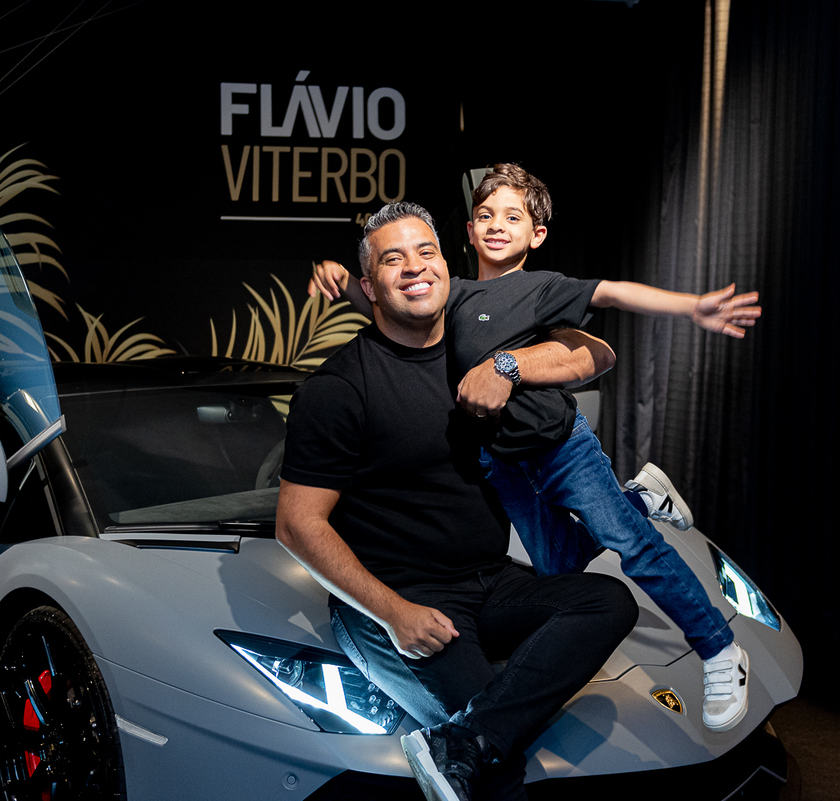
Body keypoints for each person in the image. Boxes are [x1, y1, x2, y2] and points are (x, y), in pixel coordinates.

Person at [307, 165, 760, 733]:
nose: (497, 226)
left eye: (513, 217)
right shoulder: (452, 294)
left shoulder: (542, 287)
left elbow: (612, 296)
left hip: (561, 448)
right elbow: (389, 302)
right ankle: (642, 499)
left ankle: (719, 648)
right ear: (468, 231)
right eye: (485, 216)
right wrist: (342, 278)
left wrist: (690, 307)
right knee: (558, 563)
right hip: (503, 461)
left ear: (537, 234)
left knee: (634, 547)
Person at [277, 204, 638, 801]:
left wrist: (509, 365)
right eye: (393, 259)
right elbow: (296, 525)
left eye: (427, 252)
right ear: (369, 287)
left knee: (607, 600)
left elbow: (595, 352)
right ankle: (477, 746)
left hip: (489, 582)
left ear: (449, 266)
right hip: (401, 598)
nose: (415, 267)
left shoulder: (479, 350)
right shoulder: (338, 388)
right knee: (499, 774)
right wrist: (395, 613)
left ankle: (463, 739)